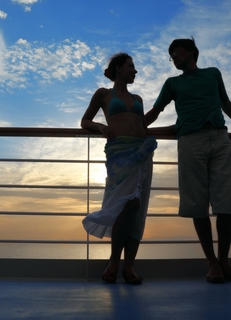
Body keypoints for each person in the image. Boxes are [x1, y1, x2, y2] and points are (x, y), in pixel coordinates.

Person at [145, 38, 231, 283]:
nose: (173, 57)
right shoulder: (172, 83)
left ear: (192, 52)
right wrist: (130, 126)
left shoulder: (213, 74)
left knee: (227, 198)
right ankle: (211, 262)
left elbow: (225, 103)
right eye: (171, 55)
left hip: (220, 138)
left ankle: (224, 261)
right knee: (197, 201)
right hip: (190, 141)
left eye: (177, 51)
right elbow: (155, 112)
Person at [81, 52, 157, 284]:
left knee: (137, 209)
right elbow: (85, 121)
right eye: (131, 66)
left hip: (142, 152)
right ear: (118, 69)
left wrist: (164, 109)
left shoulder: (139, 98)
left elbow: (143, 124)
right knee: (127, 205)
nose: (135, 70)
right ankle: (115, 262)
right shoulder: (103, 94)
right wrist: (101, 127)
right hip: (119, 155)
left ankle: (128, 267)